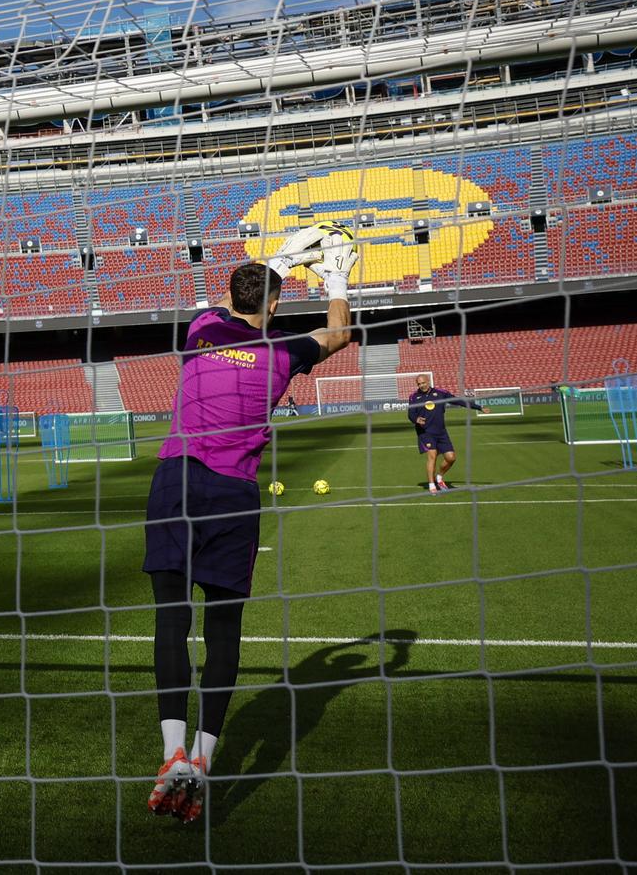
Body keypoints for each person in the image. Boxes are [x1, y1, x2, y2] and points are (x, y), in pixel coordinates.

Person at [144, 225, 358, 824]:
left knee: (170, 618)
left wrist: (279, 262)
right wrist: (336, 274)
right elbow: (339, 332)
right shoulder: (283, 352)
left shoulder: (202, 330)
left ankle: (171, 752)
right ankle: (205, 761)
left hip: (176, 482)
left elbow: (235, 299)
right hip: (234, 494)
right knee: (225, 629)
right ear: (275, 306)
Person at [406, 373, 479, 493]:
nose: (421, 385)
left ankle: (439, 477)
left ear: (428, 381)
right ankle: (431, 485)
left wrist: (478, 407)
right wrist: (416, 419)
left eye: (423, 383)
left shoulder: (441, 393)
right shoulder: (414, 397)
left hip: (441, 432)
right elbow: (411, 413)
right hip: (425, 432)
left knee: (451, 458)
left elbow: (458, 401)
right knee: (432, 456)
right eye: (419, 384)